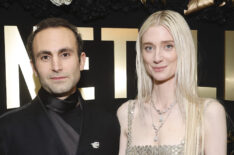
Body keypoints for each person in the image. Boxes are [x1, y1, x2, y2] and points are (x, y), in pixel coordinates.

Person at [0, 18, 120, 155]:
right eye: (45, 57)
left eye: (65, 54)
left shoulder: (108, 123)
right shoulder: (7, 129)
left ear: (81, 61)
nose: (56, 67)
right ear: (33, 67)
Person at [117, 10, 227, 155]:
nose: (157, 57)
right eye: (149, 48)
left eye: (168, 46)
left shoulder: (208, 113)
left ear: (183, 49)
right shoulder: (127, 113)